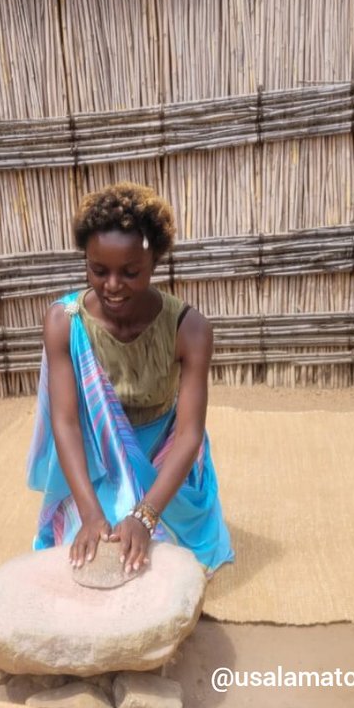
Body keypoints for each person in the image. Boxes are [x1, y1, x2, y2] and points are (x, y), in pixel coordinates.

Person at [26, 181, 233, 578]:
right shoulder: (64, 323)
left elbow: (189, 435)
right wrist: (89, 512)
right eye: (98, 270)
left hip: (163, 455)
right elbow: (66, 423)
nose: (113, 286)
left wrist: (146, 514)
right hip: (96, 456)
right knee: (92, 545)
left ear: (155, 262)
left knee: (161, 557)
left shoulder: (189, 329)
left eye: (131, 272)